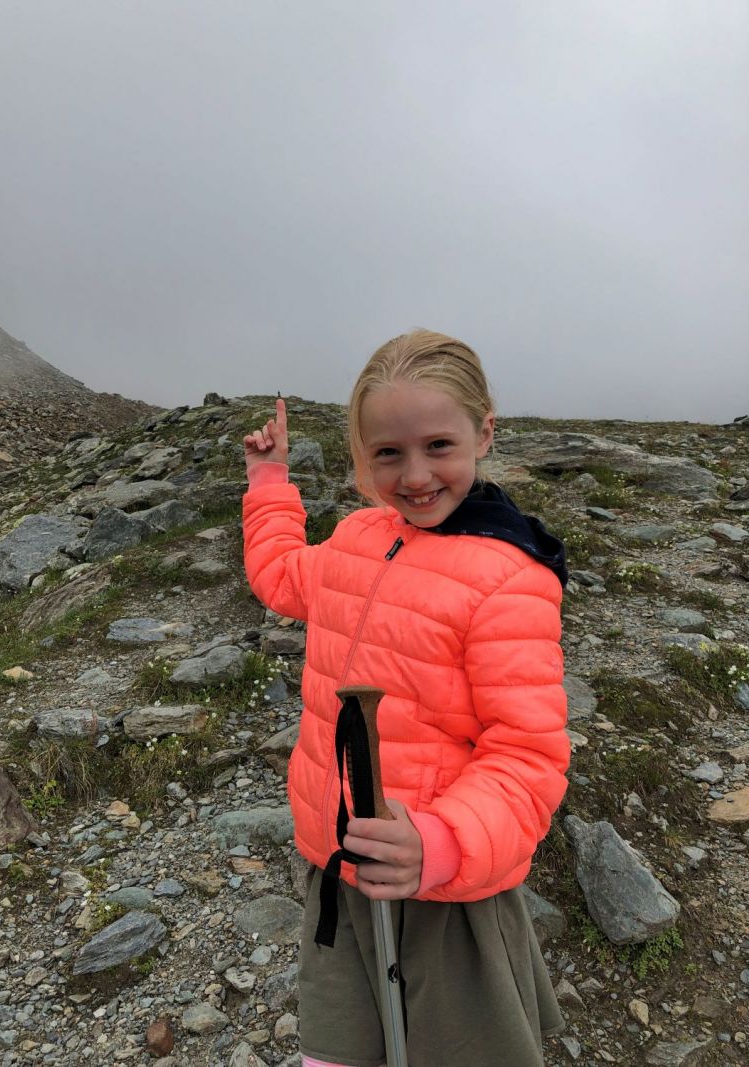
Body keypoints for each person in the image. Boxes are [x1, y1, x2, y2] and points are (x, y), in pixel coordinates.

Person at [242, 330, 570, 1067]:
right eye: (388, 453)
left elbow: (528, 754)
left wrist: (443, 841)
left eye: (439, 445)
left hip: (443, 888)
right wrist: (268, 480)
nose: (415, 475)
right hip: (339, 866)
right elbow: (281, 575)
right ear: (363, 455)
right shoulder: (359, 535)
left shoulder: (509, 579)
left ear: (484, 431)